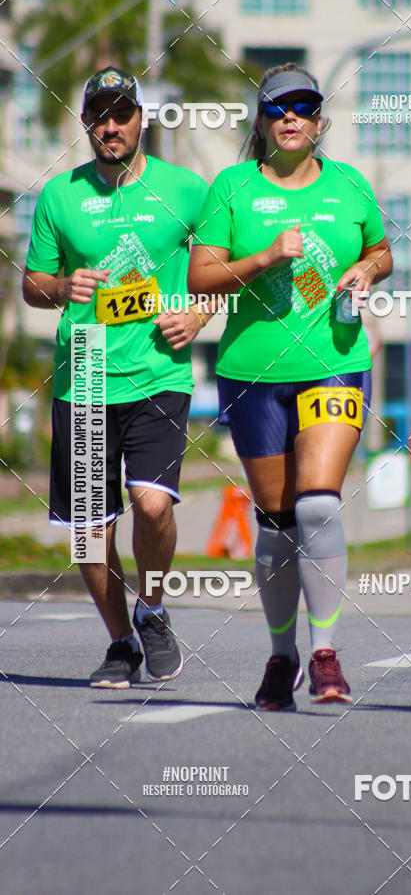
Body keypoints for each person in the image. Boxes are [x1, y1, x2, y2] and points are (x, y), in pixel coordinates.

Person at [188, 63, 392, 710]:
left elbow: (383, 252)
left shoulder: (351, 185)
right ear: (261, 120)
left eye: (303, 107)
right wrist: (266, 258)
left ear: (320, 120)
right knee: (275, 522)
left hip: (334, 360)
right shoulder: (232, 186)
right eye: (278, 109)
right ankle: (282, 656)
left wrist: (366, 268)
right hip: (253, 370)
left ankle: (327, 653)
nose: (291, 118)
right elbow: (200, 277)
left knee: (317, 507)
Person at [23, 66, 209, 688]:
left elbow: (221, 270)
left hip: (159, 375)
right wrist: (59, 287)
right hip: (85, 380)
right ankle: (122, 642)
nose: (111, 125)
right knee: (88, 535)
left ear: (141, 120)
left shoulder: (185, 190)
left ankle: (152, 609)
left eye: (122, 113)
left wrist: (201, 312)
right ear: (86, 124)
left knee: (152, 504)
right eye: (100, 116)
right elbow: (32, 285)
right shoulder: (58, 196)